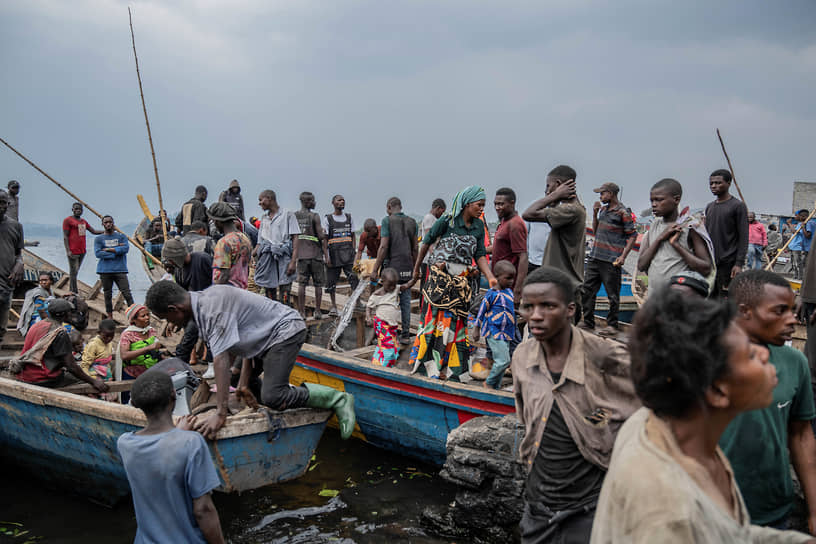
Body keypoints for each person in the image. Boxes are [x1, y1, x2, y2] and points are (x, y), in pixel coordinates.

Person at [590, 289, 812, 543]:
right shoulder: (667, 519)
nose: (765, 354)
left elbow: (728, 533)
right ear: (717, 391)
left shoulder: (664, 425)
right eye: (751, 354)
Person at [512, 266, 639, 543]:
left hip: (588, 509)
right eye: (528, 307)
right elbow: (526, 417)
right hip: (538, 507)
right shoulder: (522, 356)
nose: (535, 316)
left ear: (570, 309)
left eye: (547, 306)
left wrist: (601, 419)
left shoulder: (601, 353)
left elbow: (651, 392)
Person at [144, 281, 356, 440]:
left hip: (284, 331)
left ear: (174, 309)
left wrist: (220, 413)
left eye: (166, 319)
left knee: (273, 395)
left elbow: (221, 359)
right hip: (262, 339)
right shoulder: (202, 304)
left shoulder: (211, 309)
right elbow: (244, 341)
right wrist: (243, 384)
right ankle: (274, 406)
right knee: (239, 383)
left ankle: (337, 398)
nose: (169, 324)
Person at [719, 270, 816, 531]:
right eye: (780, 311)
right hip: (710, 510)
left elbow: (801, 433)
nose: (792, 320)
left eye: (793, 311)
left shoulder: (795, 362)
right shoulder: (704, 359)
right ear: (745, 311)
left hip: (772, 511)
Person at [117, 371, 224, 544]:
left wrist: (178, 435)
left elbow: (156, 460)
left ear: (135, 404)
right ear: (174, 396)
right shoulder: (191, 443)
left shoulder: (124, 444)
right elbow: (203, 510)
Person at [409, 186, 496, 380]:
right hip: (440, 282)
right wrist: (417, 270)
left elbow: (480, 254)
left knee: (456, 324)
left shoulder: (478, 227)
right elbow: (426, 243)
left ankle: (452, 369)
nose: (481, 209)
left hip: (461, 284)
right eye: (479, 205)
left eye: (483, 205)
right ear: (467, 203)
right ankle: (430, 366)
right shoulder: (447, 221)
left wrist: (490, 276)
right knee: (437, 322)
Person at [521, 165, 587, 321]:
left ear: (559, 184)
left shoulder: (571, 210)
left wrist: (553, 196)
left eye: (548, 186)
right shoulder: (574, 209)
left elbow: (528, 213)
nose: (547, 190)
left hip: (562, 292)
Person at [580, 182, 637, 336]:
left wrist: (623, 256)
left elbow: (632, 235)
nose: (600, 196)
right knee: (587, 290)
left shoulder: (622, 212)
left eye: (602, 193)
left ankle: (612, 325)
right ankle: (588, 321)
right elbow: (596, 230)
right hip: (595, 256)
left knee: (612, 295)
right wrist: (594, 214)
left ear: (611, 194)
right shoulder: (603, 210)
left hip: (611, 259)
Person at [637, 178, 712, 294]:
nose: (654, 205)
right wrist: (660, 238)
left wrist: (676, 245)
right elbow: (641, 265)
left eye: (659, 200)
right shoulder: (654, 226)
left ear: (676, 199)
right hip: (654, 298)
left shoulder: (689, 228)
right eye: (652, 201)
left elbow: (706, 268)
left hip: (679, 300)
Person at [15, 298, 108, 392]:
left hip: (24, 373)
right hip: (41, 378)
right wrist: (93, 381)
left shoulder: (37, 325)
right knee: (84, 380)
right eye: (69, 312)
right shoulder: (60, 333)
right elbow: (71, 366)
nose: (71, 314)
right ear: (65, 315)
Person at [161, 239, 214, 372]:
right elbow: (181, 295)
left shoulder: (202, 259)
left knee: (199, 334)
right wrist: (173, 321)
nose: (170, 263)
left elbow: (217, 280)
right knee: (189, 336)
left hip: (211, 304)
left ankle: (212, 364)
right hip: (194, 309)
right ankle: (181, 366)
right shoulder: (179, 271)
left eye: (171, 260)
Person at [372, 197, 418, 344]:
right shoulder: (412, 222)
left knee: (386, 302)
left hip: (392, 269)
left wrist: (375, 269)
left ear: (389, 207)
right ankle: (405, 336)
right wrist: (416, 269)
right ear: (401, 206)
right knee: (405, 302)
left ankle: (385, 336)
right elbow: (415, 248)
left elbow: (384, 246)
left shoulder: (387, 220)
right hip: (407, 267)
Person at [472, 260, 516, 390]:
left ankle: (495, 386)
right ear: (497, 276)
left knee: (501, 361)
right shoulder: (491, 294)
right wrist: (476, 329)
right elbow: (481, 312)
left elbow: (510, 309)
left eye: (513, 278)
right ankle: (490, 382)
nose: (511, 281)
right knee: (504, 361)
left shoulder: (509, 292)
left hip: (506, 332)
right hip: (494, 331)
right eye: (508, 278)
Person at [705, 169, 748, 297]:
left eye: (718, 183)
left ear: (729, 183)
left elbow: (743, 237)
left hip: (728, 263)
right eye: (711, 183)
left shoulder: (737, 206)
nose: (714, 186)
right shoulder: (709, 207)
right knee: (709, 297)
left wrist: (739, 263)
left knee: (725, 298)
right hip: (711, 262)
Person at [256, 189, 300, 302]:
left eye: (261, 200)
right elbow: (259, 242)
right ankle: (273, 316)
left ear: (269, 198)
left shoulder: (287, 214)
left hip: (283, 255)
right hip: (268, 258)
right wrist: (254, 256)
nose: (259, 203)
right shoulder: (264, 218)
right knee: (269, 291)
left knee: (285, 291)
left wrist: (293, 262)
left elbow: (295, 238)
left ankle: (285, 316)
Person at [322, 195, 359, 317]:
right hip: (334, 255)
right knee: (332, 281)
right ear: (333, 203)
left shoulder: (349, 217)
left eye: (343, 200)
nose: (342, 201)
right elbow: (325, 239)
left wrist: (354, 252)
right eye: (339, 200)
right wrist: (326, 256)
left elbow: (353, 236)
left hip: (348, 253)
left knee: (354, 278)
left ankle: (358, 303)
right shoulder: (328, 219)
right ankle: (333, 306)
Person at [295, 192, 328, 319]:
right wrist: (324, 233)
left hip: (301, 255)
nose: (315, 203)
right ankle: (318, 311)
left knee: (302, 284)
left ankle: (301, 312)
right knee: (318, 284)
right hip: (315, 255)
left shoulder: (295, 216)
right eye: (313, 200)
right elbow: (320, 236)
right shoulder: (314, 216)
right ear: (307, 202)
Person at [365, 268, 407, 368]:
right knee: (389, 351)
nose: (392, 287)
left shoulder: (395, 289)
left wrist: (414, 278)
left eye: (394, 285)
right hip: (381, 324)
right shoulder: (376, 295)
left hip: (392, 326)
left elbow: (407, 286)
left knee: (393, 348)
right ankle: (383, 369)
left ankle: (377, 363)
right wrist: (368, 317)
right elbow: (368, 307)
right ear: (382, 282)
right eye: (390, 285)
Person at [94, 215, 134, 319]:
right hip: (105, 270)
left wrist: (108, 249)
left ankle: (135, 314)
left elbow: (125, 249)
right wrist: (116, 252)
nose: (108, 224)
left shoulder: (121, 236)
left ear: (113, 223)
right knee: (107, 294)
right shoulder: (99, 239)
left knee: (126, 293)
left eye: (110, 222)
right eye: (106, 222)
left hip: (120, 269)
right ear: (102, 224)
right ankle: (109, 316)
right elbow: (98, 253)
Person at [492, 188, 528, 302]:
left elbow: (523, 257)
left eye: (501, 204)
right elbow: (499, 248)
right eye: (496, 204)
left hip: (509, 289)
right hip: (499, 284)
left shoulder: (515, 224)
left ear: (512, 203)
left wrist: (517, 291)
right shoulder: (504, 222)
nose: (497, 207)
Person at [209, 202, 252, 289]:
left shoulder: (224, 242)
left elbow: (223, 275)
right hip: (242, 291)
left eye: (214, 221)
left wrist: (214, 293)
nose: (215, 225)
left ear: (219, 222)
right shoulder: (245, 239)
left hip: (228, 294)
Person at [118, 304, 164, 383]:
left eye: (148, 315)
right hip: (132, 375)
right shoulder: (128, 334)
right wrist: (148, 348)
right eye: (143, 316)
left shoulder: (151, 330)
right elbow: (124, 355)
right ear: (133, 320)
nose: (147, 318)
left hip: (151, 372)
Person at [63, 202, 102, 294]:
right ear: (72, 209)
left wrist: (106, 231)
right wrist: (68, 250)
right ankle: (73, 291)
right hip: (73, 251)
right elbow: (65, 236)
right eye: (76, 209)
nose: (78, 211)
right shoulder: (68, 220)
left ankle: (73, 290)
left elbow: (93, 231)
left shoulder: (83, 222)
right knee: (73, 272)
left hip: (82, 251)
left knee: (76, 271)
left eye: (80, 209)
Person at [419, 199, 447, 305]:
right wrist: (434, 257)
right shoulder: (429, 218)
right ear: (438, 208)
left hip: (432, 258)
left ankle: (426, 308)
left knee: (429, 285)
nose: (442, 214)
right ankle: (423, 309)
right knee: (427, 285)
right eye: (442, 211)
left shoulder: (432, 219)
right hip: (429, 259)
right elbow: (429, 239)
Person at [16, 271, 54, 338]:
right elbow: (40, 310)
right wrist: (50, 324)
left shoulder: (50, 291)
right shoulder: (38, 292)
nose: (43, 282)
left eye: (45, 280)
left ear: (51, 281)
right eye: (41, 280)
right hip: (37, 319)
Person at [80, 319, 116, 383]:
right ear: (99, 333)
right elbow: (85, 365)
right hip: (93, 373)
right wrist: (91, 379)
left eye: (112, 336)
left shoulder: (109, 343)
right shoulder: (93, 345)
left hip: (105, 371)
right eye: (106, 336)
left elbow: (106, 360)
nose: (109, 338)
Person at [789, 210, 815, 281]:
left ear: (803, 217)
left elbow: (808, 235)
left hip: (808, 248)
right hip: (807, 247)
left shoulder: (808, 223)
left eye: (800, 216)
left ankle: (803, 279)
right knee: (803, 263)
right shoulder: (811, 222)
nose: (799, 218)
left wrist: (803, 227)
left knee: (803, 264)